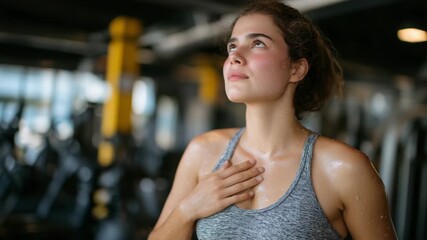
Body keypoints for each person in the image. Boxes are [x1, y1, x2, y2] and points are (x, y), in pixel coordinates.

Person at [148, 0, 397, 239]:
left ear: (296, 69)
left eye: (257, 43)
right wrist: (187, 209)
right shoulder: (203, 152)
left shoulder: (343, 169)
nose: (235, 56)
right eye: (232, 46)